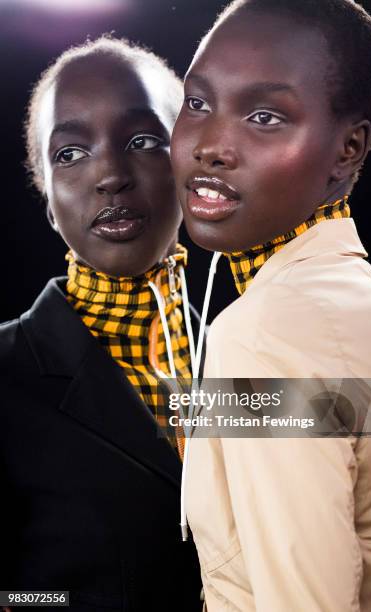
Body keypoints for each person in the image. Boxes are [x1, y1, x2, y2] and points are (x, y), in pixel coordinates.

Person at [170, 0, 371, 610]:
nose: (211, 146)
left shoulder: (264, 334)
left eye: (265, 116)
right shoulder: (363, 304)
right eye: (197, 102)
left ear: (347, 149)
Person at [0, 36, 202, 611]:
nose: (110, 174)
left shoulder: (242, 354)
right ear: (47, 195)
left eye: (143, 141)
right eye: (69, 154)